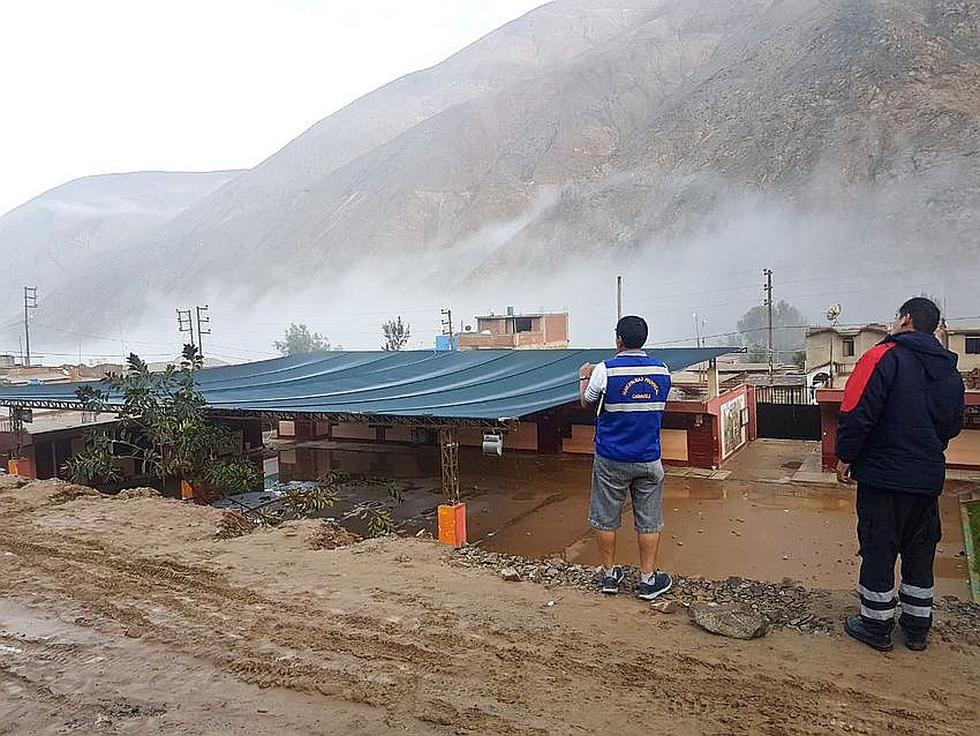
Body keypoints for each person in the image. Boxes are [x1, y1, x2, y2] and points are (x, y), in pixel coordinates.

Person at [836, 297, 965, 652]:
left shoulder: (882, 356)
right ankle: (917, 628)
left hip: (883, 477)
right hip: (926, 479)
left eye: (896, 317)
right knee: (920, 552)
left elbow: (856, 411)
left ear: (905, 319)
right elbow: (954, 425)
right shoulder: (949, 370)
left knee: (879, 547)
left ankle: (876, 626)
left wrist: (845, 457)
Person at [579, 315, 673, 600]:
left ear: (618, 339)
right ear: (644, 339)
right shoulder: (663, 370)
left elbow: (587, 402)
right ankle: (647, 581)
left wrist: (584, 376)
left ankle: (609, 577)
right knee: (649, 520)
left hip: (611, 457)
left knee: (606, 518)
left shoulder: (605, 370)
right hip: (648, 456)